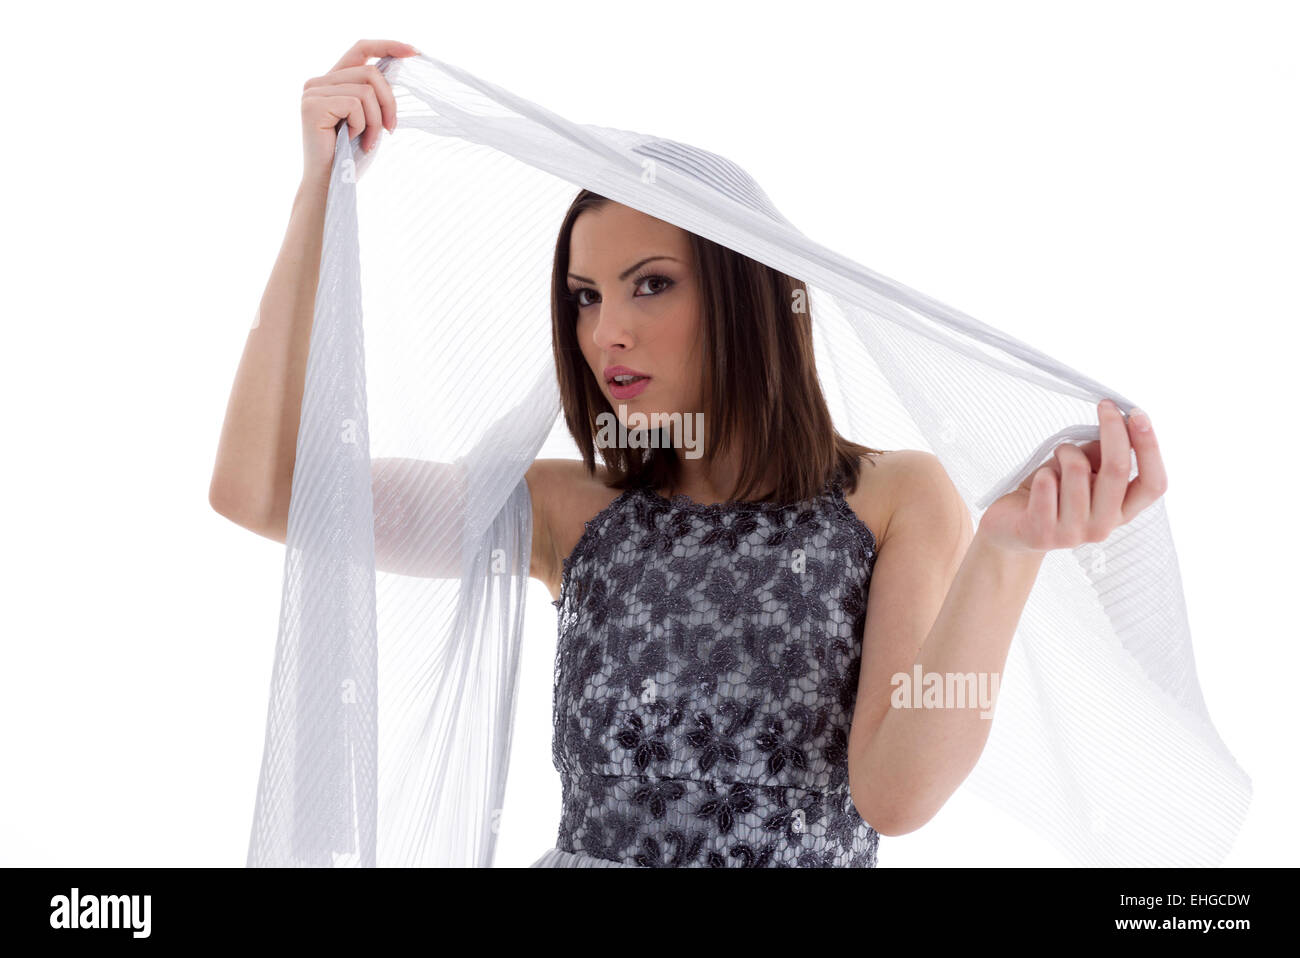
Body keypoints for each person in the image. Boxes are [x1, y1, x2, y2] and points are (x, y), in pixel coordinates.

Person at [211, 39, 1168, 868]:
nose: (604, 333)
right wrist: (316, 198)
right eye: (585, 296)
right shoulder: (566, 510)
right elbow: (263, 493)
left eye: (650, 285)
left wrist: (1008, 554)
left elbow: (894, 797)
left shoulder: (891, 497)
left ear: (750, 296)